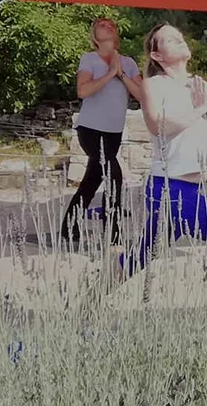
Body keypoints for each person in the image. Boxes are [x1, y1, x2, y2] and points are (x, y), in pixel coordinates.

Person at [126, 24, 207, 273]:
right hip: (169, 188)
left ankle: (92, 296)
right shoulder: (154, 85)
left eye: (179, 37)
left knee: (138, 259)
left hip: (191, 188)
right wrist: (199, 109)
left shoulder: (199, 85)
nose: (179, 40)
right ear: (156, 55)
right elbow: (157, 126)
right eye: (170, 39)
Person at [60, 18, 143, 248]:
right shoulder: (89, 59)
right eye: (101, 24)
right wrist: (110, 73)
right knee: (113, 173)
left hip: (113, 132)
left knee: (92, 180)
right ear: (95, 38)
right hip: (90, 129)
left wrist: (121, 74)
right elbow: (82, 90)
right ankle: (113, 234)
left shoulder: (128, 63)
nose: (107, 25)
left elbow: (141, 95)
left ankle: (69, 227)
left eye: (111, 24)